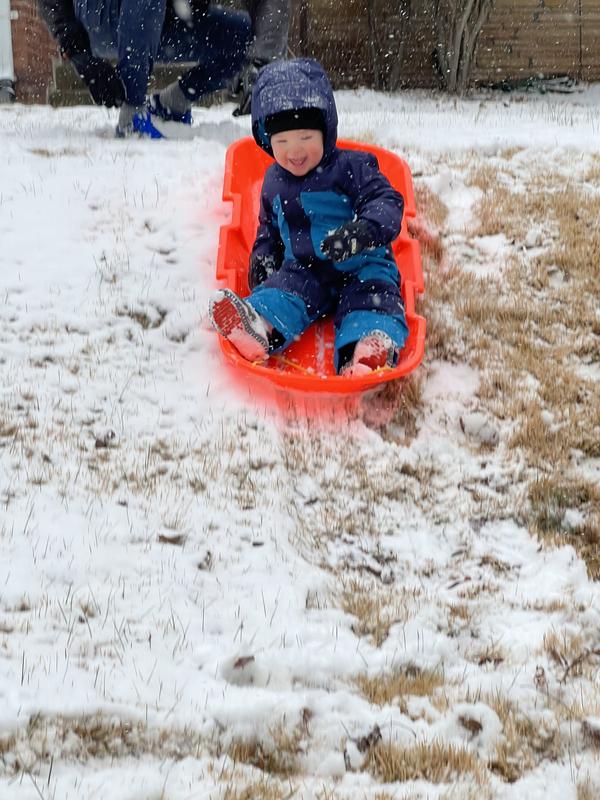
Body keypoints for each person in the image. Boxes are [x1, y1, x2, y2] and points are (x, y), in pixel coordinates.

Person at [209, 58, 409, 377]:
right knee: (281, 293)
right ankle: (258, 326)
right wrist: (263, 260)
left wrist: (363, 231)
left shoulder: (351, 167)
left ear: (325, 130)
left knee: (374, 300)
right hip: (306, 269)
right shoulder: (273, 182)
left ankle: (369, 350)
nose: (294, 151)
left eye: (305, 137)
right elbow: (269, 229)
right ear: (266, 140)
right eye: (282, 141)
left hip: (361, 264)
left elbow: (385, 200)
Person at [37, 0, 290, 137]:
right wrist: (78, 52)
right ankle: (133, 115)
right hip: (102, 16)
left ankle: (173, 102)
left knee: (243, 35)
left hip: (166, 22)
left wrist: (263, 64)